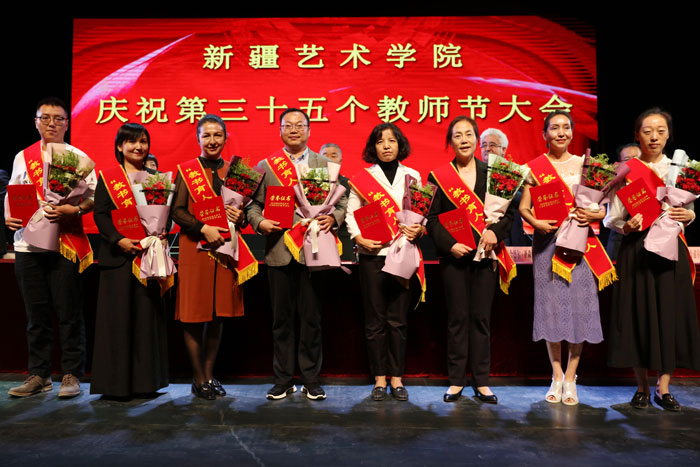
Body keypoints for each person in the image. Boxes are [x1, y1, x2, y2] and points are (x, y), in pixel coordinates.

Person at [246, 108, 347, 401]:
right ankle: (282, 379)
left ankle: (311, 379)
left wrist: (334, 218)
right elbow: (252, 205)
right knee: (281, 320)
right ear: (279, 130)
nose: (293, 130)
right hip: (279, 251)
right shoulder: (266, 166)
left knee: (311, 318)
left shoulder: (324, 164)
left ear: (309, 130)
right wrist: (259, 222)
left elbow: (341, 203)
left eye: (299, 125)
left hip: (313, 252)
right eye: (287, 125)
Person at [606, 108, 700, 411]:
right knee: (638, 315)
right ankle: (642, 387)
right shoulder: (626, 171)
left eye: (660, 131)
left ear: (669, 134)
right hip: (637, 249)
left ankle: (664, 387)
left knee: (669, 314)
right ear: (637, 135)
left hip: (671, 250)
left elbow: (688, 212)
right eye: (647, 131)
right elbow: (611, 218)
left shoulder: (682, 168)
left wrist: (689, 216)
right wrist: (625, 226)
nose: (654, 137)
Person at [5, 97, 96, 398]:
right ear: (36, 122)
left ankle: (71, 375)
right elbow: (13, 193)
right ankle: (39, 375)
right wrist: (8, 216)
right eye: (45, 118)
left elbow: (94, 196)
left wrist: (75, 209)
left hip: (64, 244)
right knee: (36, 315)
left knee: (69, 313)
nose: (52, 123)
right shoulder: (23, 157)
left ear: (67, 124)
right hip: (27, 246)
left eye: (58, 118)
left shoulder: (78, 157)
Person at [518, 110, 605, 406]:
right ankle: (556, 375)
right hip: (547, 244)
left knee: (579, 308)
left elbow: (602, 210)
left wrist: (593, 214)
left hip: (580, 245)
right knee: (551, 309)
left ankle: (571, 377)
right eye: (554, 128)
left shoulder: (586, 165)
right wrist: (536, 223)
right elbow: (524, 208)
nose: (561, 133)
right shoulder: (534, 168)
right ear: (544, 134)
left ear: (572, 132)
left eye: (566, 127)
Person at [426, 117, 515, 404]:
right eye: (457, 135)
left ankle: (482, 381)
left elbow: (508, 215)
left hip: (486, 257)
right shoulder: (438, 176)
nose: (464, 140)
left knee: (480, 319)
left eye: (468, 134)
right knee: (457, 319)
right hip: (454, 258)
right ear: (450, 141)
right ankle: (456, 381)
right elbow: (431, 219)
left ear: (477, 139)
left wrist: (495, 233)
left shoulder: (494, 173)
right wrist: (450, 245)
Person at [345, 123, 423, 401]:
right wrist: (358, 238)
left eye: (391, 140)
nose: (386, 146)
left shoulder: (413, 175)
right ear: (373, 147)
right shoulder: (363, 178)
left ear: (400, 145)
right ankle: (379, 378)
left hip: (402, 253)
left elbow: (421, 213)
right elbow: (351, 213)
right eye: (380, 141)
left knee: (398, 320)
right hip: (372, 256)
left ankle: (397, 378)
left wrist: (419, 229)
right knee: (375, 320)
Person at [90, 123, 169, 399]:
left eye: (143, 141)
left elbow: (164, 215)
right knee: (117, 321)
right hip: (118, 259)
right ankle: (115, 385)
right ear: (119, 146)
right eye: (132, 141)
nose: (138, 147)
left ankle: (145, 384)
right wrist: (118, 239)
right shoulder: (108, 177)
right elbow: (100, 215)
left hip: (148, 257)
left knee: (145, 321)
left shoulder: (156, 178)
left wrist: (161, 232)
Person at [171, 114, 245, 400]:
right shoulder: (187, 170)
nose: (212, 140)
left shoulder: (234, 171)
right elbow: (177, 211)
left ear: (225, 138)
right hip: (195, 249)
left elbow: (241, 213)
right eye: (207, 135)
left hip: (225, 251)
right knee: (193, 315)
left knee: (217, 316)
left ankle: (210, 375)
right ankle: (198, 376)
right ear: (198, 139)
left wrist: (240, 217)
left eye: (217, 135)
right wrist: (202, 227)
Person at [480, 127, 530, 246]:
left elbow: (527, 202)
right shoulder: (476, 172)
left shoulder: (515, 173)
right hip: (483, 232)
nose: (487, 149)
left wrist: (507, 188)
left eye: (492, 145)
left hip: (513, 234)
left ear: (503, 149)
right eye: (484, 145)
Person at [605, 143, 642, 260]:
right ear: (620, 163)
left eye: (636, 158)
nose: (632, 162)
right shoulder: (616, 183)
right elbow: (609, 219)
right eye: (626, 159)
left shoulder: (652, 180)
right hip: (620, 240)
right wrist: (624, 226)